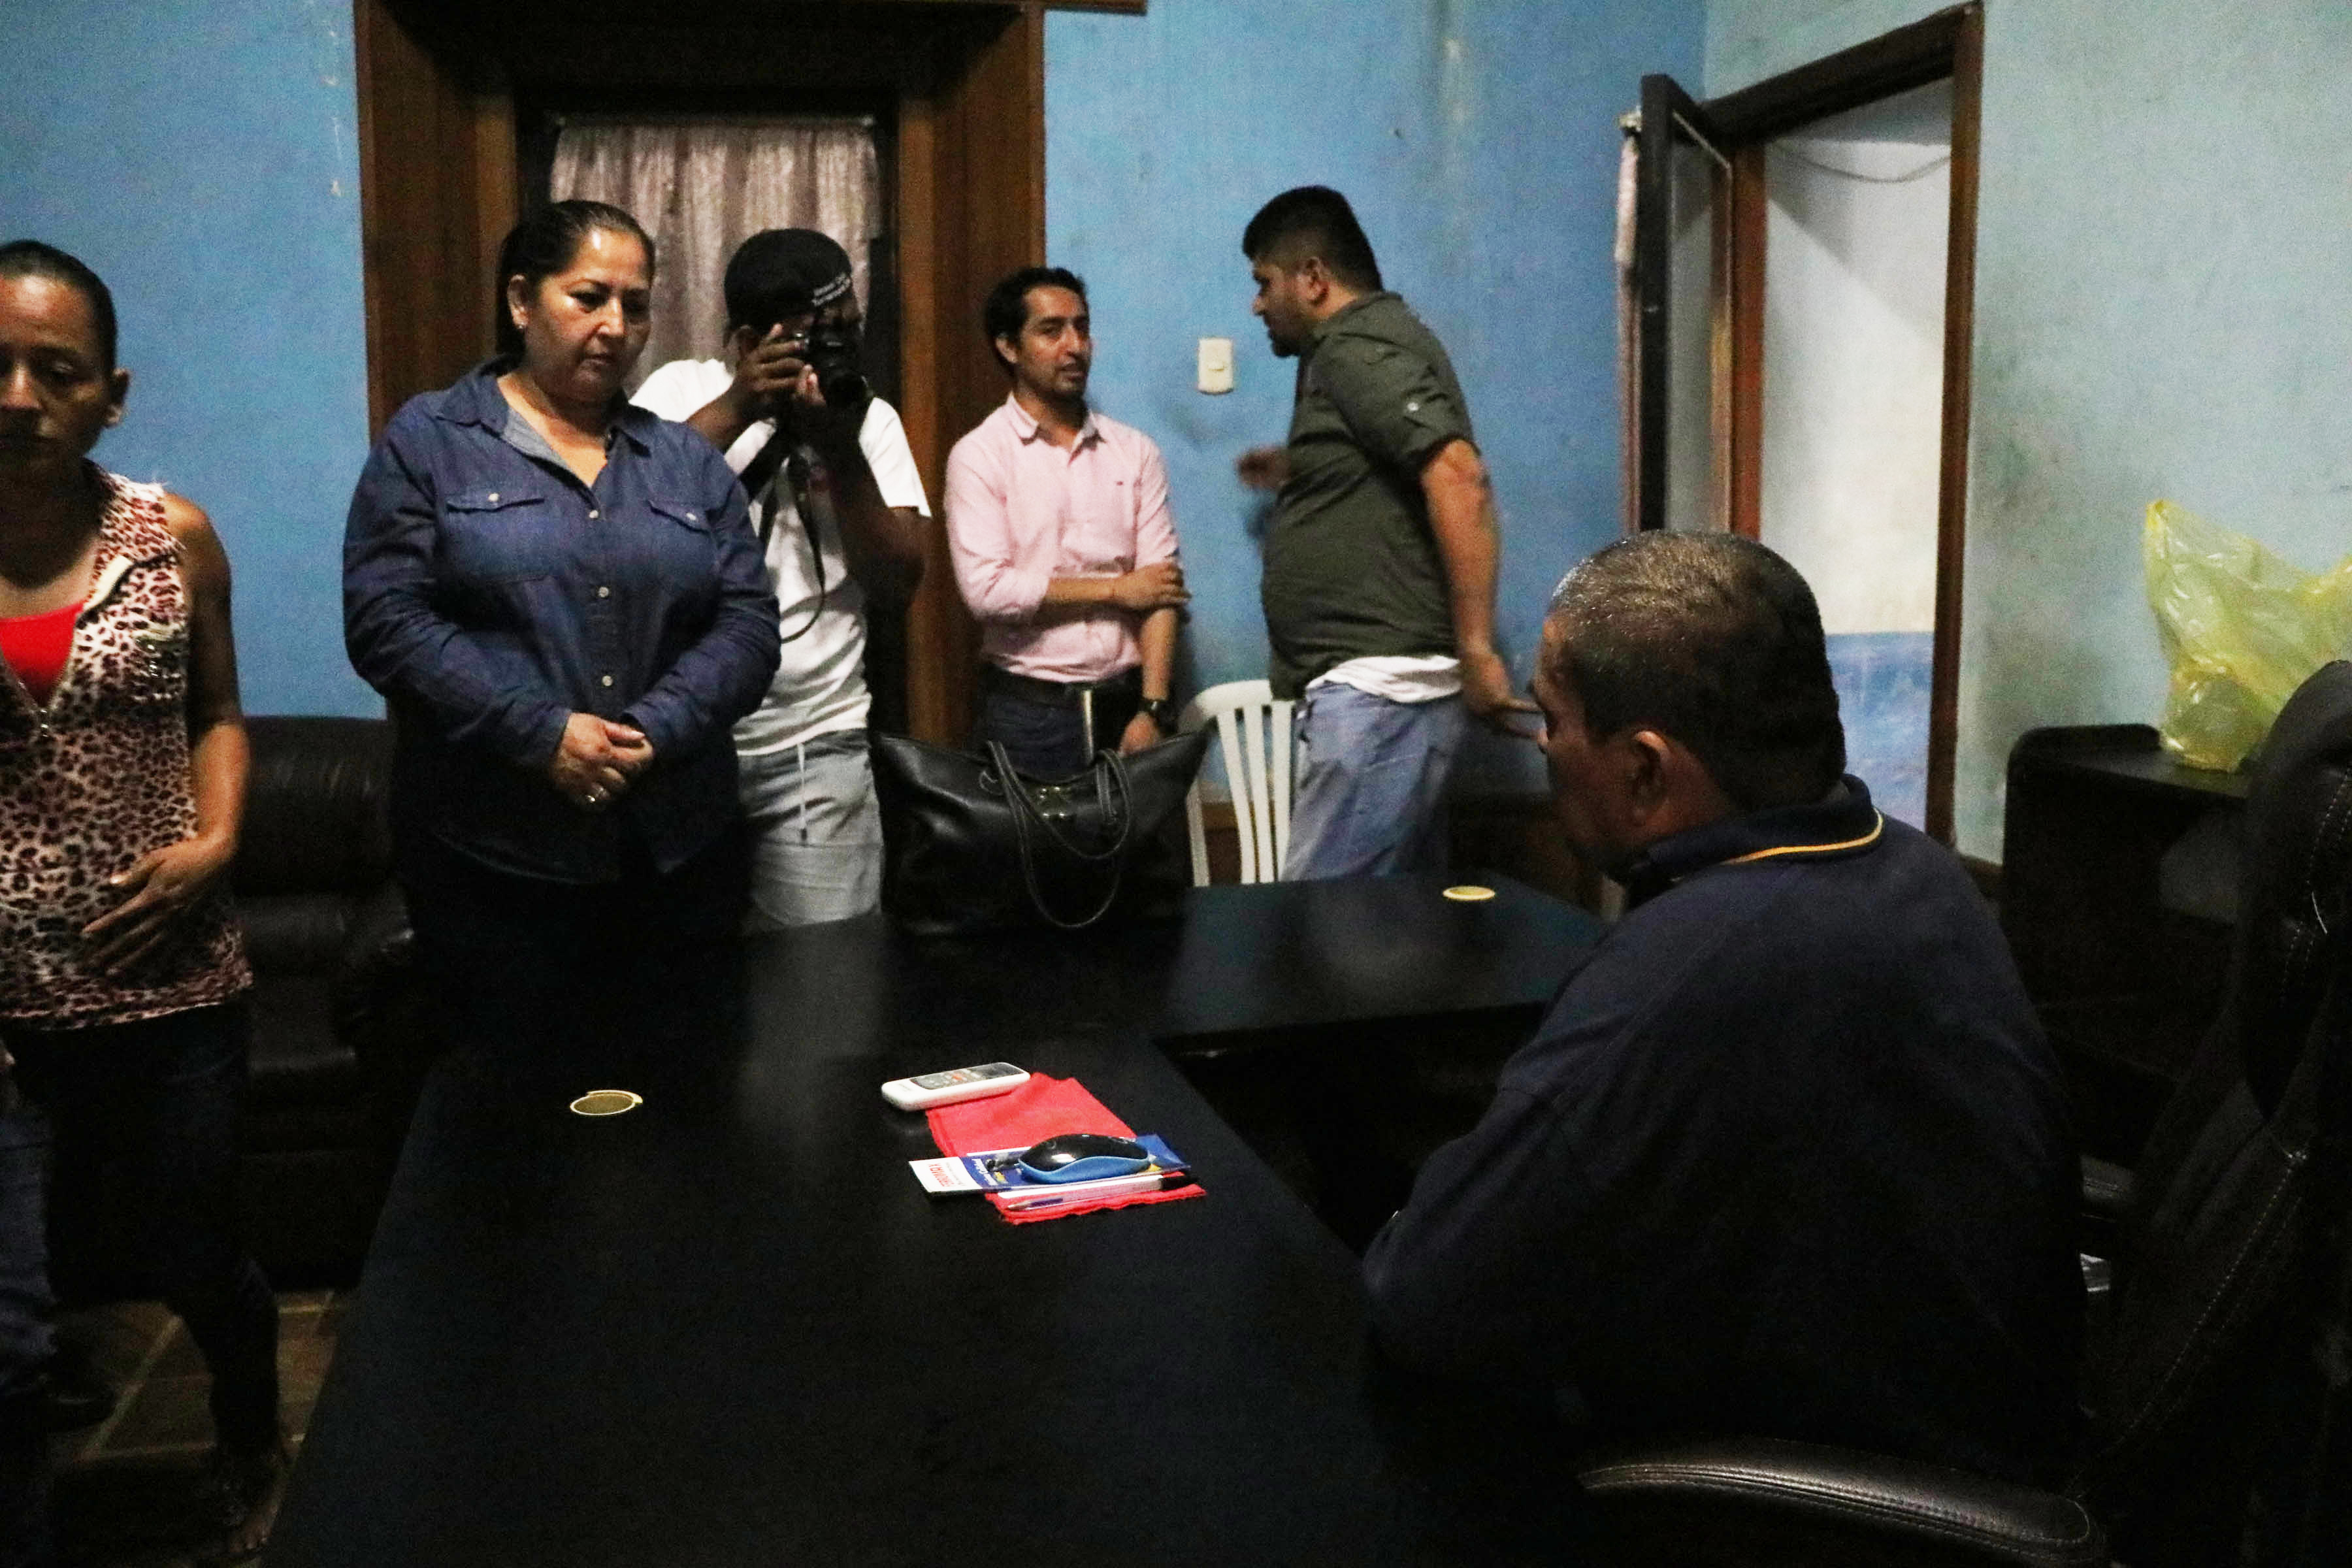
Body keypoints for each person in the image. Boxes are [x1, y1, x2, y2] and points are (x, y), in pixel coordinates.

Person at [1362, 532, 2083, 1486]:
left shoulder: (1687, 967)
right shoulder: (1915, 869)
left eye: (1555, 718)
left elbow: (1424, 1303)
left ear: (1647, 771)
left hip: (1808, 1512)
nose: (1543, 744)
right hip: (1986, 1429)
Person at [343, 201, 779, 1076]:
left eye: (636, 305)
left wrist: (652, 730)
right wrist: (541, 734)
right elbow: (387, 621)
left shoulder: (686, 461)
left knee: (682, 1100)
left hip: (675, 858)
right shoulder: (431, 442)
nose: (615, 326)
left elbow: (747, 624)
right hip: (493, 864)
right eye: (589, 297)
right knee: (513, 1110)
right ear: (520, 300)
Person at [0, 240, 280, 1564]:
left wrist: (217, 843)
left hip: (172, 980)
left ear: (110, 396)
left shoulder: (174, 539)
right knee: (11, 1315)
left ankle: (250, 1433)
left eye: (56, 372)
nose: (18, 398)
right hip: (7, 1004)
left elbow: (218, 713)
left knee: (196, 1256)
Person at [1236, 186, 1536, 879]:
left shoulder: (1355, 347)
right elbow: (1389, 459)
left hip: (1382, 696)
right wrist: (1302, 468)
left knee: (1319, 926)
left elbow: (1458, 474)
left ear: (1313, 278)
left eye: (1264, 283)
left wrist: (1477, 648)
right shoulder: (1356, 349)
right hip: (1379, 698)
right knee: (1389, 929)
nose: (1257, 304)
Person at [632, 229, 929, 929]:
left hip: (817, 745)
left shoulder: (870, 419)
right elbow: (625, 513)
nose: (838, 350)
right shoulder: (680, 392)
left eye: (848, 329)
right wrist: (741, 406)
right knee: (683, 970)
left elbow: (898, 584)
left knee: (825, 979)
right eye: (816, 336)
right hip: (684, 743)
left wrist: (841, 451)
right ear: (748, 341)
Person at [945, 267, 1186, 778]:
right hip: (1028, 711)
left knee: (1136, 835)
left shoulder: (1135, 452)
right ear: (1009, 347)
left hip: (1127, 702)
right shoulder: (980, 455)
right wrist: (1117, 590)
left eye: (1082, 328)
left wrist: (1154, 708)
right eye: (1051, 331)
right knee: (1027, 834)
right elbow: (988, 592)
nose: (1075, 346)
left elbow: (1160, 589)